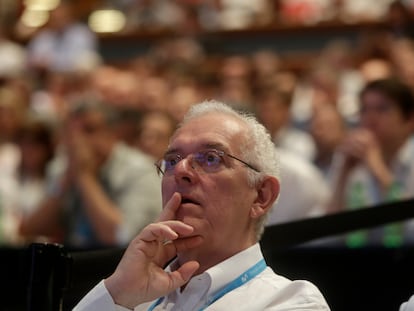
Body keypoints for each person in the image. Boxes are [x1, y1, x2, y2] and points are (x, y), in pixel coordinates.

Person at [74, 100, 330, 310]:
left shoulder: (291, 302)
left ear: (261, 195)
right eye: (172, 160)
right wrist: (118, 291)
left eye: (210, 158)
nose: (181, 170)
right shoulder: (134, 296)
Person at [19, 97, 162, 248]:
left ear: (112, 133)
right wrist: (66, 180)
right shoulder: (62, 167)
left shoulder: (140, 170)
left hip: (117, 263)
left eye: (89, 130)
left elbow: (121, 237)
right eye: (71, 132)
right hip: (73, 261)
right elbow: (31, 229)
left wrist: (85, 177)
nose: (78, 141)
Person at [328, 78, 414, 247]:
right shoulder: (351, 155)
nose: (370, 118)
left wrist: (377, 168)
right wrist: (343, 175)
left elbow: (409, 230)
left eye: (383, 109)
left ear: (409, 120)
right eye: (365, 109)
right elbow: (329, 236)